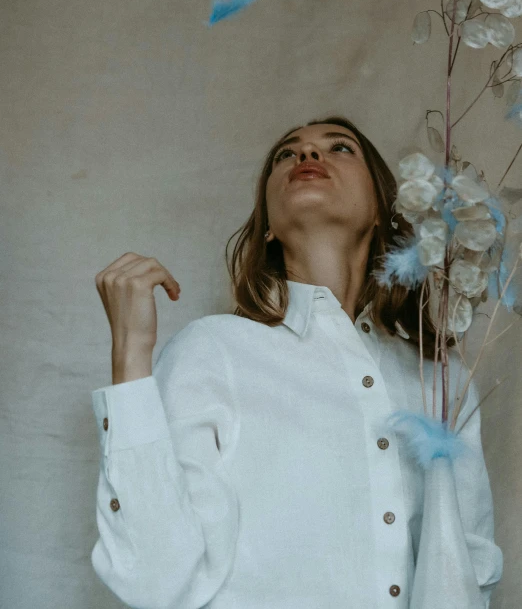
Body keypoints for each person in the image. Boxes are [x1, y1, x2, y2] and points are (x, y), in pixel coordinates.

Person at [91, 115, 503, 608]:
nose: (307, 156)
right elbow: (155, 579)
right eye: (288, 153)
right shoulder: (213, 351)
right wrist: (131, 355)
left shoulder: (441, 380)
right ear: (267, 226)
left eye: (340, 148)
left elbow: (471, 570)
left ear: (381, 210)